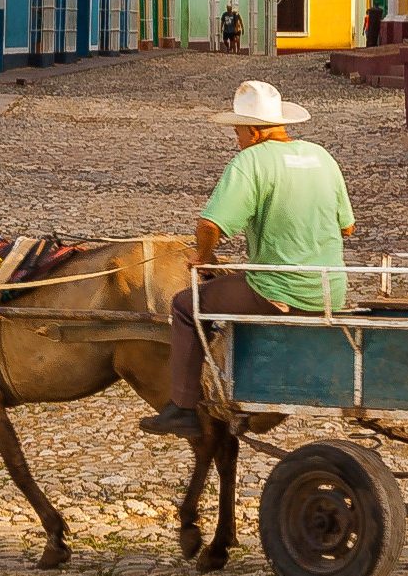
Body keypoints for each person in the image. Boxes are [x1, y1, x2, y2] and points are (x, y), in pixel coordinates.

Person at [140, 78, 352, 437]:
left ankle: (182, 406)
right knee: (232, 289)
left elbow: (209, 224)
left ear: (254, 131)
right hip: (331, 290)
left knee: (185, 306)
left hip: (280, 293)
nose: (236, 139)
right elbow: (347, 228)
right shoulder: (321, 156)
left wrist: (202, 257)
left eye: (238, 131)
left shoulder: (251, 161)